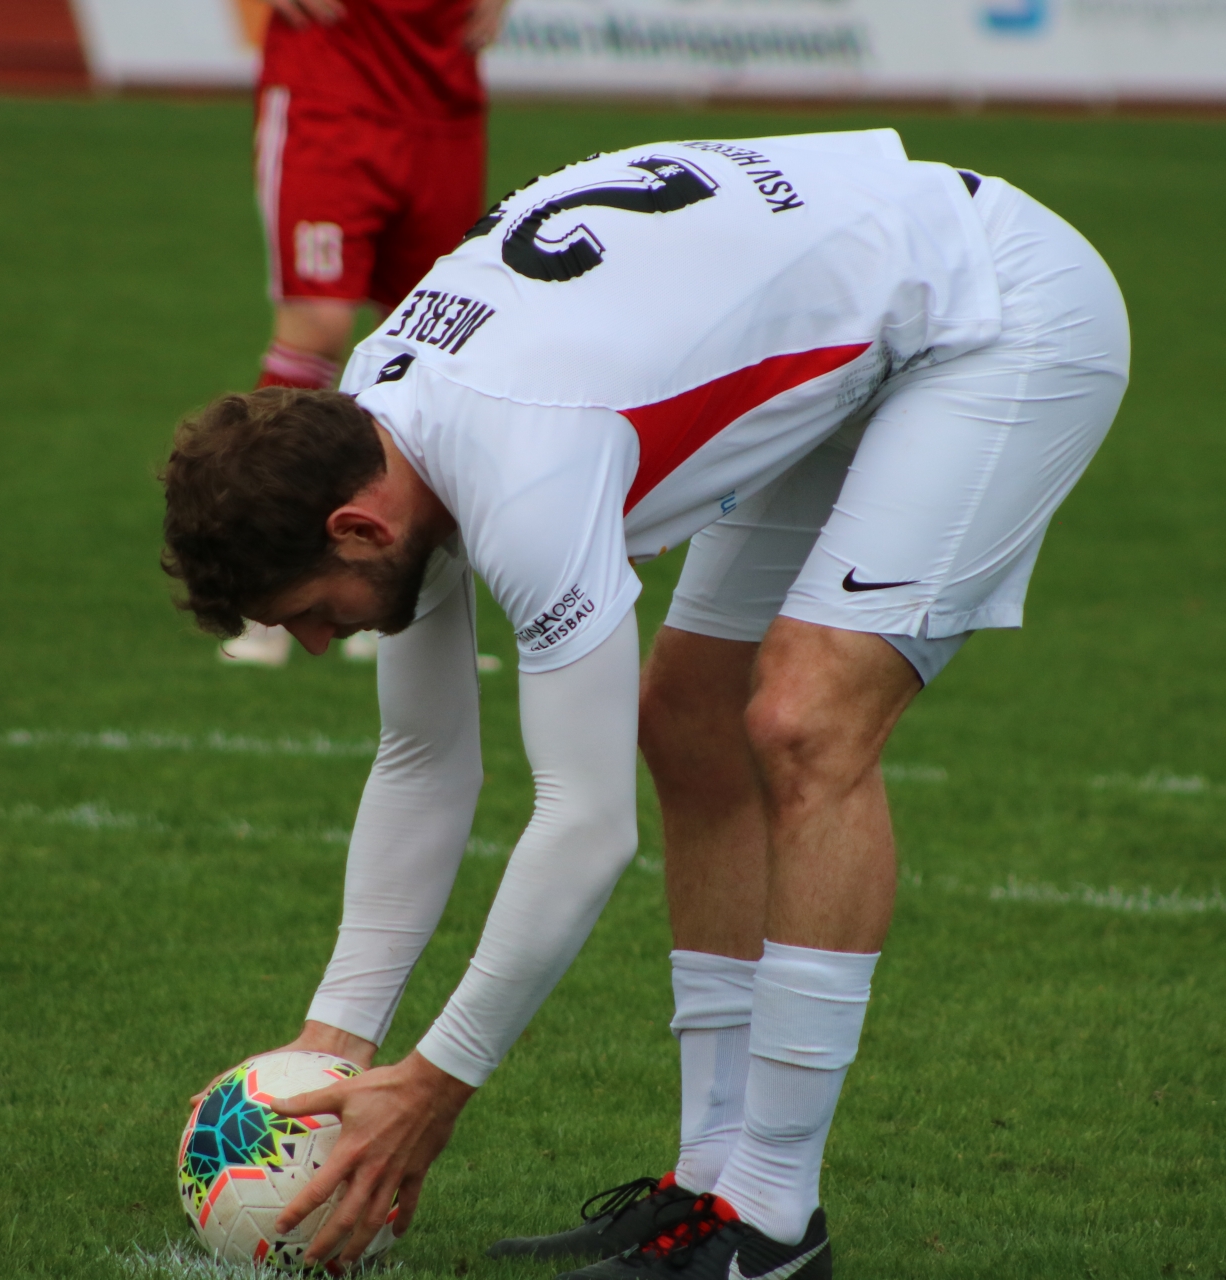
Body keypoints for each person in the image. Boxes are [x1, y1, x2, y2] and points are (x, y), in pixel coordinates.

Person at [160, 129, 1130, 1279]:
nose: (321, 641)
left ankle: (771, 1224)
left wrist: (437, 1081)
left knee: (806, 721)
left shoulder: (521, 464)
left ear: (357, 527)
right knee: (686, 717)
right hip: (867, 312)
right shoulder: (375, 421)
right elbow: (423, 758)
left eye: (312, 611)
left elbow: (586, 824)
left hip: (997, 312)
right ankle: (708, 1180)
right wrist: (336, 1039)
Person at [222, 0, 508, 666]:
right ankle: (268, 584)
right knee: (316, 326)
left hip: (441, 89)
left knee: (429, 336)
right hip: (332, 80)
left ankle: (406, 606)